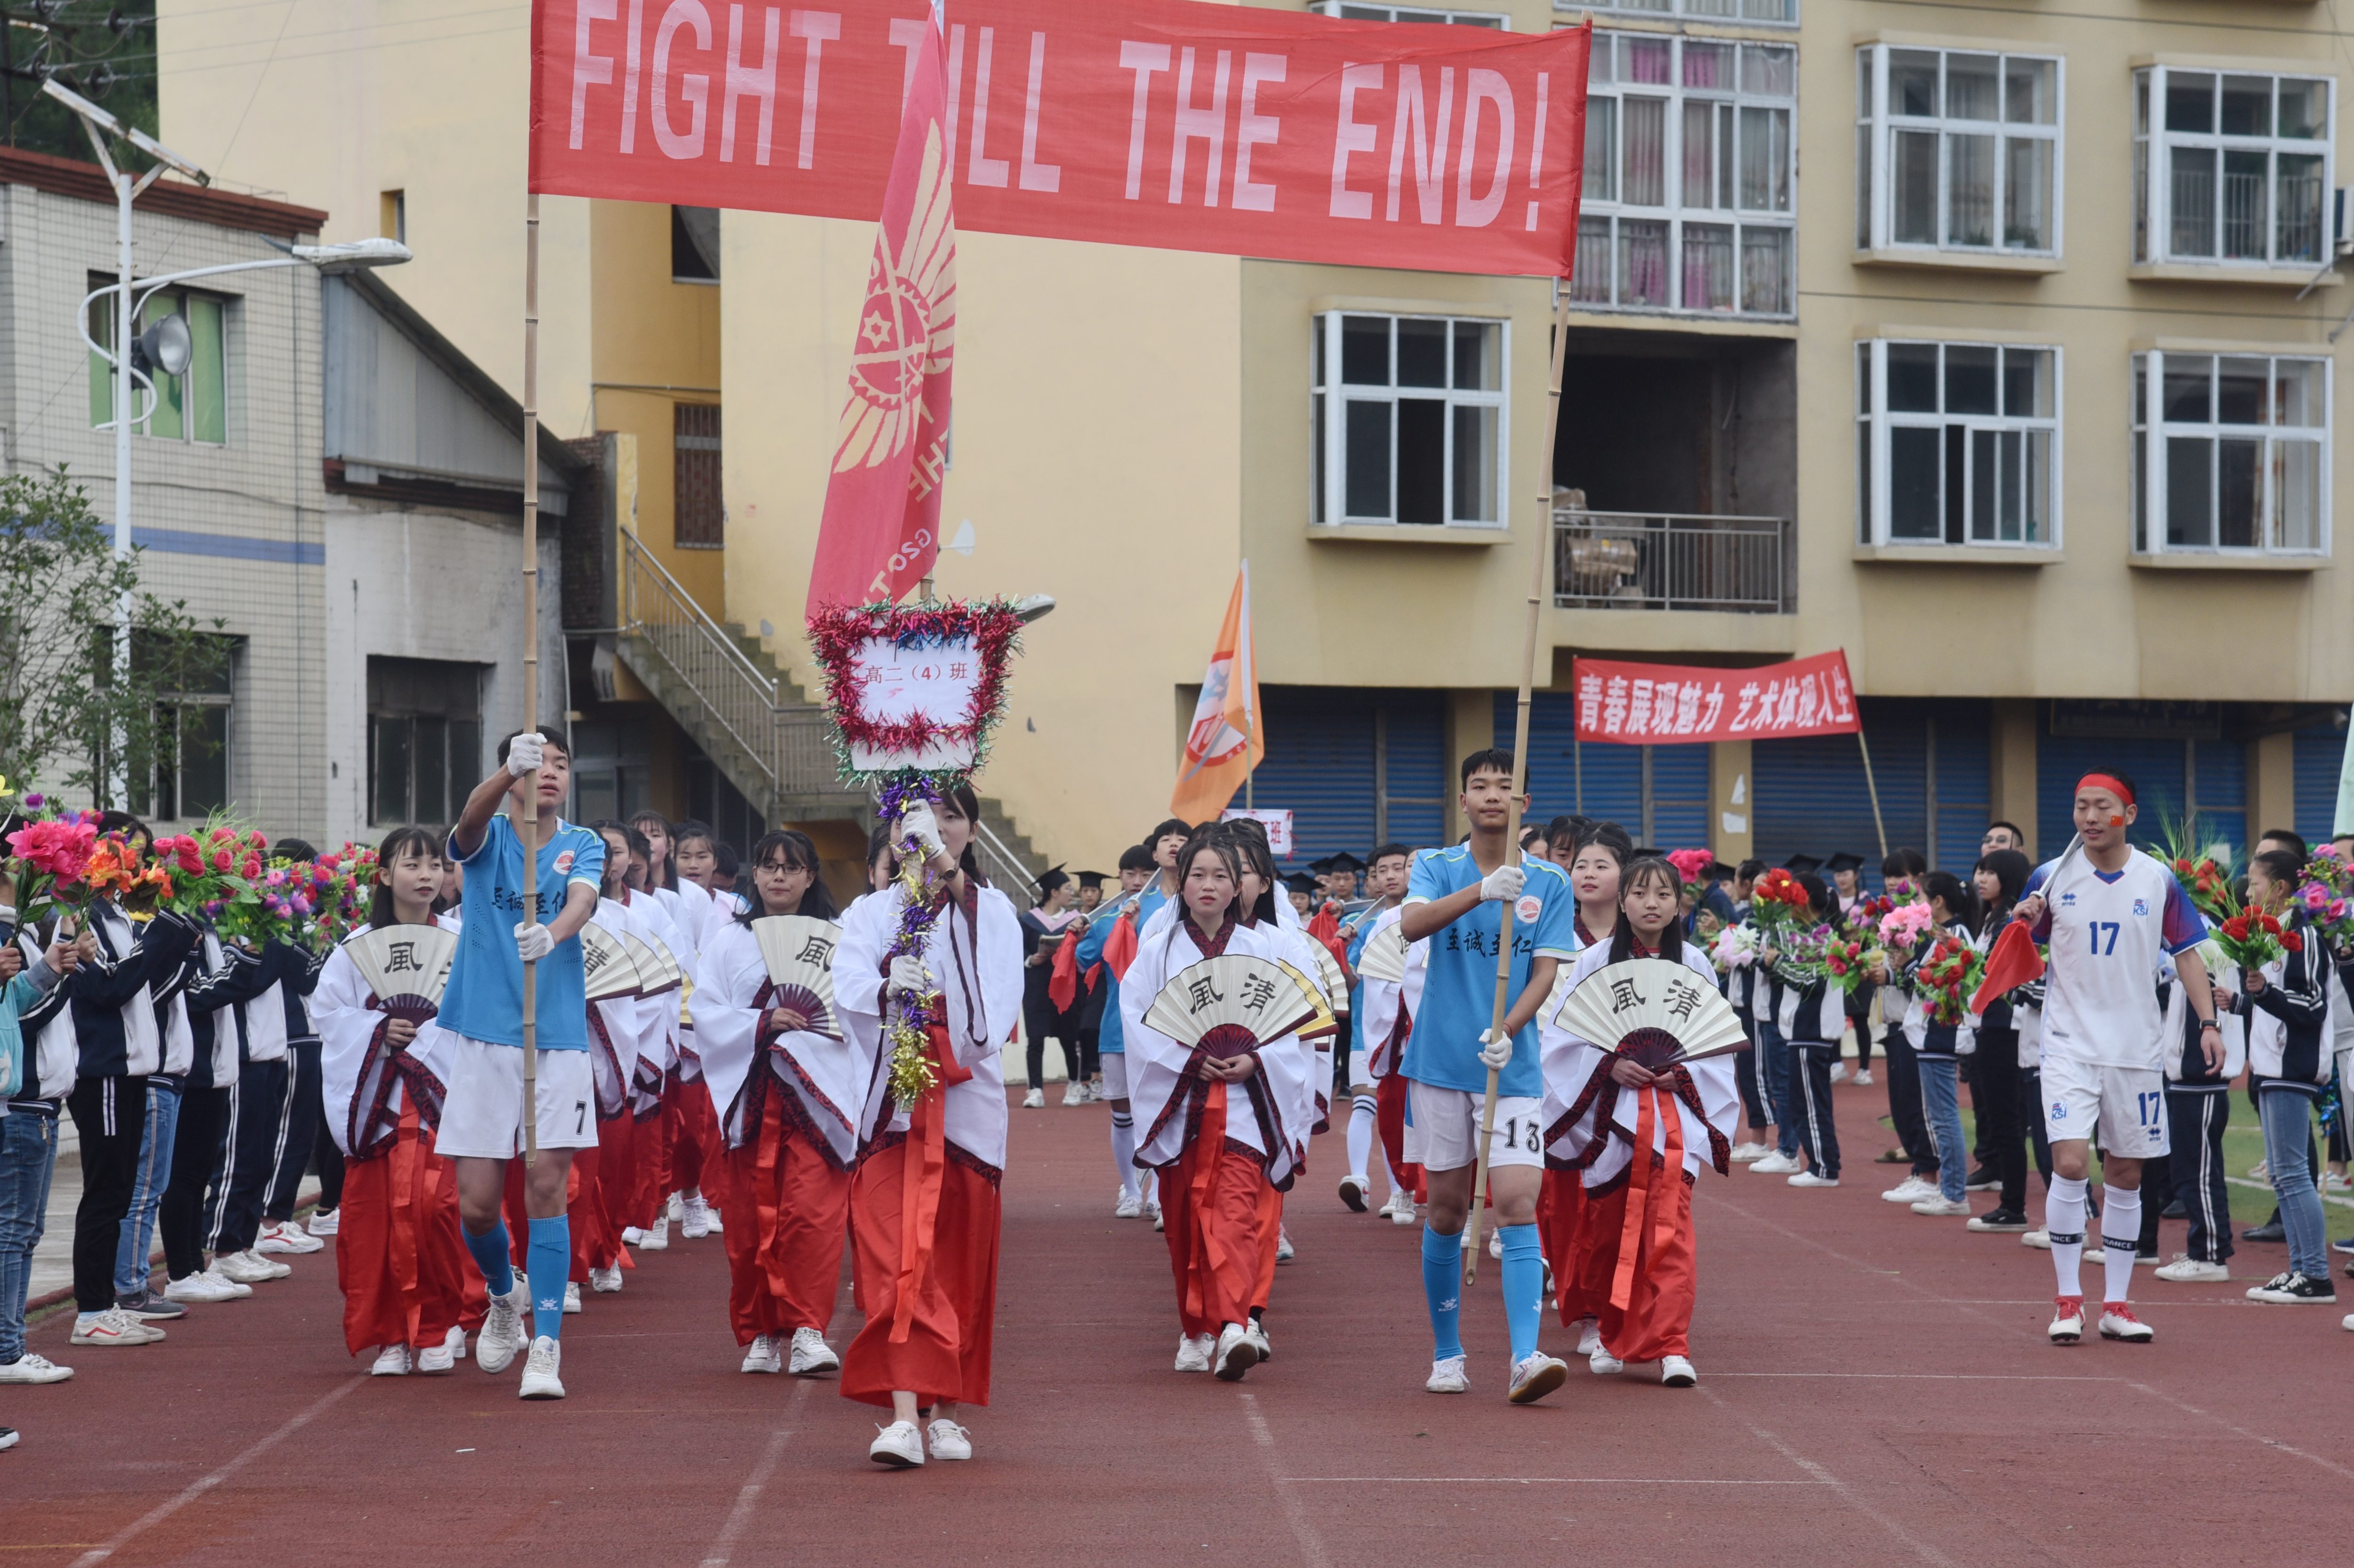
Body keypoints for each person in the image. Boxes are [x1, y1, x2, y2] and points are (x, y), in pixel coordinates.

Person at [832, 785, 1017, 1466]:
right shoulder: (871, 911)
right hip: (890, 1107)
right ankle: (905, 1411)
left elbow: (991, 1018)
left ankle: (949, 1409)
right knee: (891, 1256)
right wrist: (884, 985)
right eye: (922, 815)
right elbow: (843, 983)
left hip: (967, 1110)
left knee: (957, 1259)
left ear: (971, 831)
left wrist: (944, 869)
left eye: (952, 817)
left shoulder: (990, 910)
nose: (936, 827)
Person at [1396, 750, 1577, 1404]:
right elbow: (1412, 925)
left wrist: (1509, 1029)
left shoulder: (1550, 883)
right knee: (1445, 1211)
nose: (1493, 795)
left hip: (1513, 1068)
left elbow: (1546, 972)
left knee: (1518, 1204)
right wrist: (1481, 891)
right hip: (1440, 1065)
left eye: (1506, 786)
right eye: (1481, 786)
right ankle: (1448, 1353)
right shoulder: (1435, 866)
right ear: (1464, 800)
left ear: (1523, 802)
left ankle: (1526, 1356)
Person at [2013, 769, 2217, 1345]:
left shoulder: (2157, 880)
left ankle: (2118, 1305)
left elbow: (2187, 956)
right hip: (2069, 1047)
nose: (2089, 818)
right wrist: (2023, 921)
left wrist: (2208, 1023)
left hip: (2134, 1051)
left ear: (2126, 814)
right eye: (2081, 806)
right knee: (2072, 1165)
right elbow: (2019, 949)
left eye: (2102, 807)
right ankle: (2068, 1299)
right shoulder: (2050, 877)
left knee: (2126, 1174)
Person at [437, 729, 607, 1399]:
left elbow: (584, 900)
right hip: (485, 1031)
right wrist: (505, 773)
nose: (552, 774)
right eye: (542, 763)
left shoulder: (582, 843)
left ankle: (547, 1346)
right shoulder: (490, 842)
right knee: (476, 1207)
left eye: (564, 764)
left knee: (546, 1187)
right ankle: (504, 1293)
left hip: (557, 1035)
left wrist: (553, 935)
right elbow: (468, 823)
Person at [1122, 831, 1313, 1381]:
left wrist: (1257, 1059)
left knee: (1231, 1210)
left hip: (1245, 1106)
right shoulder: (1156, 953)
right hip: (1181, 1104)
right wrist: (1186, 1059)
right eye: (1198, 875)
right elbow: (1139, 1023)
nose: (1208, 886)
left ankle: (1232, 1326)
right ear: (1181, 884)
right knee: (1184, 1221)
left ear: (1240, 890)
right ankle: (1194, 1327)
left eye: (1221, 877)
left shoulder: (1266, 949)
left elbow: (1290, 1024)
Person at [1543, 855, 1738, 1386]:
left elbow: (1716, 1042)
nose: (1651, 904)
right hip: (1611, 1116)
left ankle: (1672, 1344)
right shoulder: (1591, 963)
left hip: (1676, 1115)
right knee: (1606, 1230)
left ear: (1679, 905)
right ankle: (1609, 1329)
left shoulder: (1694, 963)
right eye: (1640, 893)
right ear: (1622, 900)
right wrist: (1610, 1064)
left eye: (1662, 895)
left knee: (1670, 1229)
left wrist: (1684, 1074)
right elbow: (1563, 1037)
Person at [313, 827, 486, 1374]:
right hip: (379, 1103)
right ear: (384, 875)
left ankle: (441, 1322)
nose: (427, 875)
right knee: (377, 1220)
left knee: (438, 1208)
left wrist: (428, 1041)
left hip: (441, 1097)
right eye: (413, 865)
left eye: (436, 864)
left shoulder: (464, 943)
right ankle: (391, 1335)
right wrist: (378, 1029)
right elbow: (328, 1017)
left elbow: (482, 1016)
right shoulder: (354, 947)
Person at [695, 829, 858, 1374]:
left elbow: (854, 1019)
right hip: (752, 1097)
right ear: (755, 876)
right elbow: (707, 1013)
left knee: (811, 1217)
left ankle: (808, 1329)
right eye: (769, 867)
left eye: (791, 867)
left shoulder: (839, 940)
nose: (779, 877)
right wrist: (762, 1021)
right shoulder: (727, 943)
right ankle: (763, 1331)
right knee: (747, 1227)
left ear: (811, 876)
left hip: (817, 1102)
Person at [65, 870, 198, 1348]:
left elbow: (142, 981)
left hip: (131, 1070)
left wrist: (169, 928)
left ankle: (106, 1305)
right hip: (103, 1070)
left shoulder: (119, 917)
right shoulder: (80, 917)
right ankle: (94, 1310)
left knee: (118, 1192)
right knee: (106, 1193)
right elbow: (107, 988)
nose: (137, 870)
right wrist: (163, 932)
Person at [2224, 849, 2337, 1304]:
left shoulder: (2302, 937)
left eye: (2253, 883)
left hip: (2293, 1066)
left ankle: (2315, 1274)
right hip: (2271, 1065)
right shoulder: (2269, 938)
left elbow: (2311, 1008)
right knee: (2283, 1174)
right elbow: (2272, 1004)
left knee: (2292, 1172)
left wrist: (2264, 993)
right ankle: (2298, 1269)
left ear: (2280, 890)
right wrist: (2236, 1002)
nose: (2246, 892)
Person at [1074, 828, 1190, 1220]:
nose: (1137, 881)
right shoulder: (1114, 914)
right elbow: (1083, 959)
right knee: (1123, 1113)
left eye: (1143, 873)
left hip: (1167, 1028)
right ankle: (1129, 1188)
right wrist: (1078, 934)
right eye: (1130, 873)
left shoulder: (1183, 907)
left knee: (1164, 1110)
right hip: (1118, 1027)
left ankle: (1159, 1190)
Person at [0, 911, 84, 1385]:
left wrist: (52, 968)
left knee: (23, 1232)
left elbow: (14, 1004)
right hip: (19, 1105)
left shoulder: (23, 930)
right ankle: (7, 1348)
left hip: (21, 1100)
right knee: (12, 1231)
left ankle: (11, 1344)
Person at [1890, 871, 1980, 1219]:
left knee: (1944, 1117)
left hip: (1941, 1032)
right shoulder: (1942, 934)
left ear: (1938, 903)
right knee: (1939, 1116)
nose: (1916, 906)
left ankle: (1954, 1193)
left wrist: (1908, 965)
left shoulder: (1954, 935)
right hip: (1932, 1032)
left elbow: (1940, 981)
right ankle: (1950, 1189)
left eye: (1922, 897)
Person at [2152, 940, 2243, 1283]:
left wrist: (2195, 1066)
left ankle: (2209, 1255)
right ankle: (2205, 1247)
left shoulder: (2204, 947)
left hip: (2201, 1077)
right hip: (2188, 1075)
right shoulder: (2190, 946)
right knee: (2190, 1168)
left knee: (2199, 1170)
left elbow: (2208, 1008)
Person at [1339, 843, 1412, 1213]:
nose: (1390, 876)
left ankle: (1405, 1189)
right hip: (1369, 1032)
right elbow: (1352, 984)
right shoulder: (1361, 926)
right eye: (1382, 871)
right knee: (1370, 1104)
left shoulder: (1432, 916)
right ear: (1371, 880)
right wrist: (1340, 956)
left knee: (1407, 1112)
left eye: (1398, 868)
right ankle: (1360, 1179)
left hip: (1414, 1034)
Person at [1965, 850, 2035, 1233]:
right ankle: (2010, 1201)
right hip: (1988, 1025)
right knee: (1997, 1115)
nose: (1982, 877)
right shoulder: (1990, 918)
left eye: (1991, 872)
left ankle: (2014, 1205)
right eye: (1980, 870)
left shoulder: (2013, 919)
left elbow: (1999, 971)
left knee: (2007, 1118)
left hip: (2005, 1028)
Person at [1873, 848, 1939, 1191]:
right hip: (1894, 1021)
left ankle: (1927, 1171)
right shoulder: (1891, 919)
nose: (1892, 883)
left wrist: (1892, 976)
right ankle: (1918, 1169)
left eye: (1900, 875)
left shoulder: (1926, 924)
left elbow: (1927, 975)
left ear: (1919, 879)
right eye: (1888, 876)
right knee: (1900, 1103)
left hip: (1916, 1024)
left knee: (1916, 1102)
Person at [1018, 868, 1085, 1108]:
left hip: (1064, 985)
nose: (1072, 893)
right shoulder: (1028, 920)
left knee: (1069, 1037)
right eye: (1068, 889)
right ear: (1054, 893)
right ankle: (1035, 1090)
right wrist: (1029, 959)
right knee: (1035, 1039)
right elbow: (1016, 947)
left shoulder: (1075, 920)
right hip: (1036, 985)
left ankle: (1074, 1084)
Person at [1825, 853, 1873, 1086]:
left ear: (1855, 875)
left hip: (1860, 967)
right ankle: (1837, 1064)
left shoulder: (1867, 902)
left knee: (1860, 1016)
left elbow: (1874, 936)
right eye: (1838, 874)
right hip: (1838, 966)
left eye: (1846, 874)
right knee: (1836, 1014)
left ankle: (1864, 1068)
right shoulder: (1830, 900)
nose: (1841, 879)